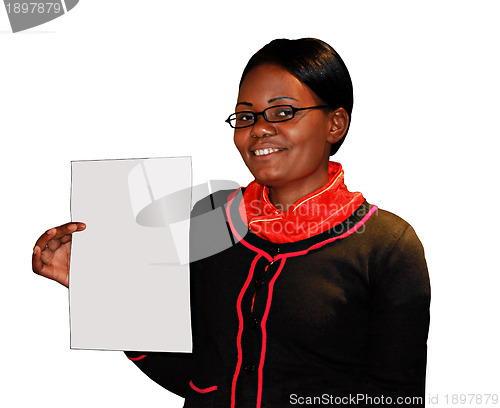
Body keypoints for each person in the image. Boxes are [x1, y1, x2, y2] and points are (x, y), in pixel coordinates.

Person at [32, 38, 430, 407]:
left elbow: (395, 397)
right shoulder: (212, 217)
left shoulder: (386, 245)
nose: (258, 129)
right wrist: (96, 286)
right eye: (245, 116)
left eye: (283, 111)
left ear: (335, 123)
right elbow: (193, 373)